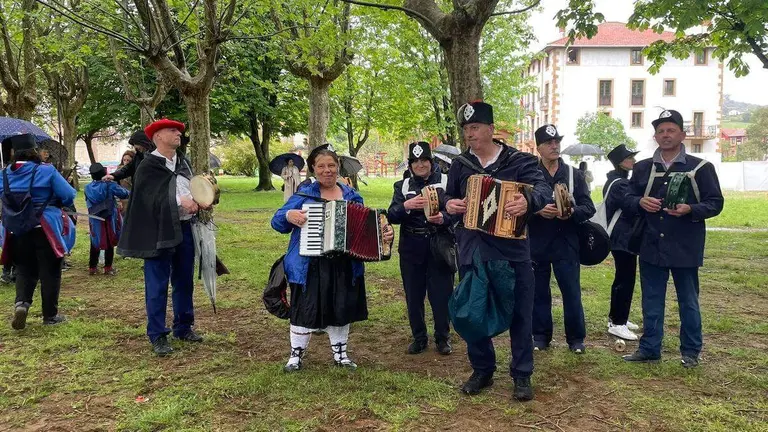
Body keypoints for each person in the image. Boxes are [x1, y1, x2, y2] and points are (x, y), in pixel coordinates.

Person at [445, 101, 551, 401]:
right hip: (474, 251)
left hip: (512, 251)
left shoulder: (520, 162)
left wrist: (528, 201)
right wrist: (449, 204)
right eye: (466, 129)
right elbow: (449, 198)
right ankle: (482, 370)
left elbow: (543, 190)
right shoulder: (461, 165)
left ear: (491, 129)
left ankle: (522, 374)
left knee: (521, 314)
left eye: (475, 127)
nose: (470, 134)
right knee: (473, 311)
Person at [271, 145, 394, 372]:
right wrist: (289, 215)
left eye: (331, 165)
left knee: (340, 307)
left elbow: (365, 229)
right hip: (310, 264)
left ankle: (341, 354)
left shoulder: (352, 196)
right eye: (321, 166)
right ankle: (295, 356)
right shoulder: (304, 195)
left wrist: (383, 234)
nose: (327, 170)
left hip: (344, 263)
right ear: (313, 169)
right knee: (304, 309)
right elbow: (277, 222)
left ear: (338, 167)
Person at [622, 110, 723, 367]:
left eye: (671, 130)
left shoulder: (700, 168)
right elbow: (627, 199)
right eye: (661, 131)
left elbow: (715, 202)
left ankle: (691, 351)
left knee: (688, 301)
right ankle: (649, 348)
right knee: (651, 300)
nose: (665, 135)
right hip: (651, 244)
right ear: (655, 137)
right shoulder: (643, 167)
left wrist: (691, 209)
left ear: (682, 135)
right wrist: (640, 202)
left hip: (685, 246)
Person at [117, 119, 206, 356]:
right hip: (158, 232)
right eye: (172, 130)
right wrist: (179, 201)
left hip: (184, 228)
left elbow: (189, 188)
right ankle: (157, 334)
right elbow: (147, 199)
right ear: (157, 136)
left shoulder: (183, 162)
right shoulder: (148, 166)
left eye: (179, 131)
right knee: (156, 284)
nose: (179, 134)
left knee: (184, 280)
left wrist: (201, 199)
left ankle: (183, 327)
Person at [529, 124, 595, 354]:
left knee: (571, 292)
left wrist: (571, 212)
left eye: (557, 141)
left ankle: (576, 339)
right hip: (537, 243)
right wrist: (537, 211)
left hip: (566, 243)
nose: (554, 146)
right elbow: (518, 208)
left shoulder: (574, 174)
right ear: (539, 148)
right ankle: (540, 336)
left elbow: (589, 207)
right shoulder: (530, 175)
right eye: (549, 143)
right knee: (538, 292)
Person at [0, 133, 76, 330]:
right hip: (45, 227)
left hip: (16, 229)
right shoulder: (46, 170)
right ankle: (50, 315)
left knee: (24, 268)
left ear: (14, 152)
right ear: (34, 151)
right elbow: (68, 195)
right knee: (50, 271)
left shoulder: (4, 174)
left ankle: (21, 304)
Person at [387, 141, 454, 356]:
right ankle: (419, 337)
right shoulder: (402, 186)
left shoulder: (446, 181)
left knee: (442, 294)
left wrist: (443, 218)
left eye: (424, 160)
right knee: (413, 296)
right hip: (411, 247)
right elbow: (391, 215)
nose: (420, 165)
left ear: (431, 162)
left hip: (439, 244)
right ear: (410, 165)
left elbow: (457, 212)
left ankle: (443, 337)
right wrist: (406, 206)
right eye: (415, 161)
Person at [604, 144, 641, 341]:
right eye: (629, 158)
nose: (633, 160)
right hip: (622, 237)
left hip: (621, 236)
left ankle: (617, 318)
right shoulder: (621, 184)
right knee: (625, 279)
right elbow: (631, 206)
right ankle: (618, 323)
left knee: (623, 278)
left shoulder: (615, 181)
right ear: (620, 162)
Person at [85, 163, 129, 276]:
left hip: (94, 218)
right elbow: (124, 194)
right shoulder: (109, 185)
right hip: (109, 217)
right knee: (110, 240)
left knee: (95, 240)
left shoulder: (87, 187)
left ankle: (92, 267)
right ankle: (108, 268)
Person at [116, 150, 135, 216]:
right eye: (124, 160)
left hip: (135, 201)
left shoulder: (138, 171)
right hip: (124, 202)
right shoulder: (118, 172)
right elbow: (115, 188)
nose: (126, 162)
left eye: (128, 160)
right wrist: (118, 201)